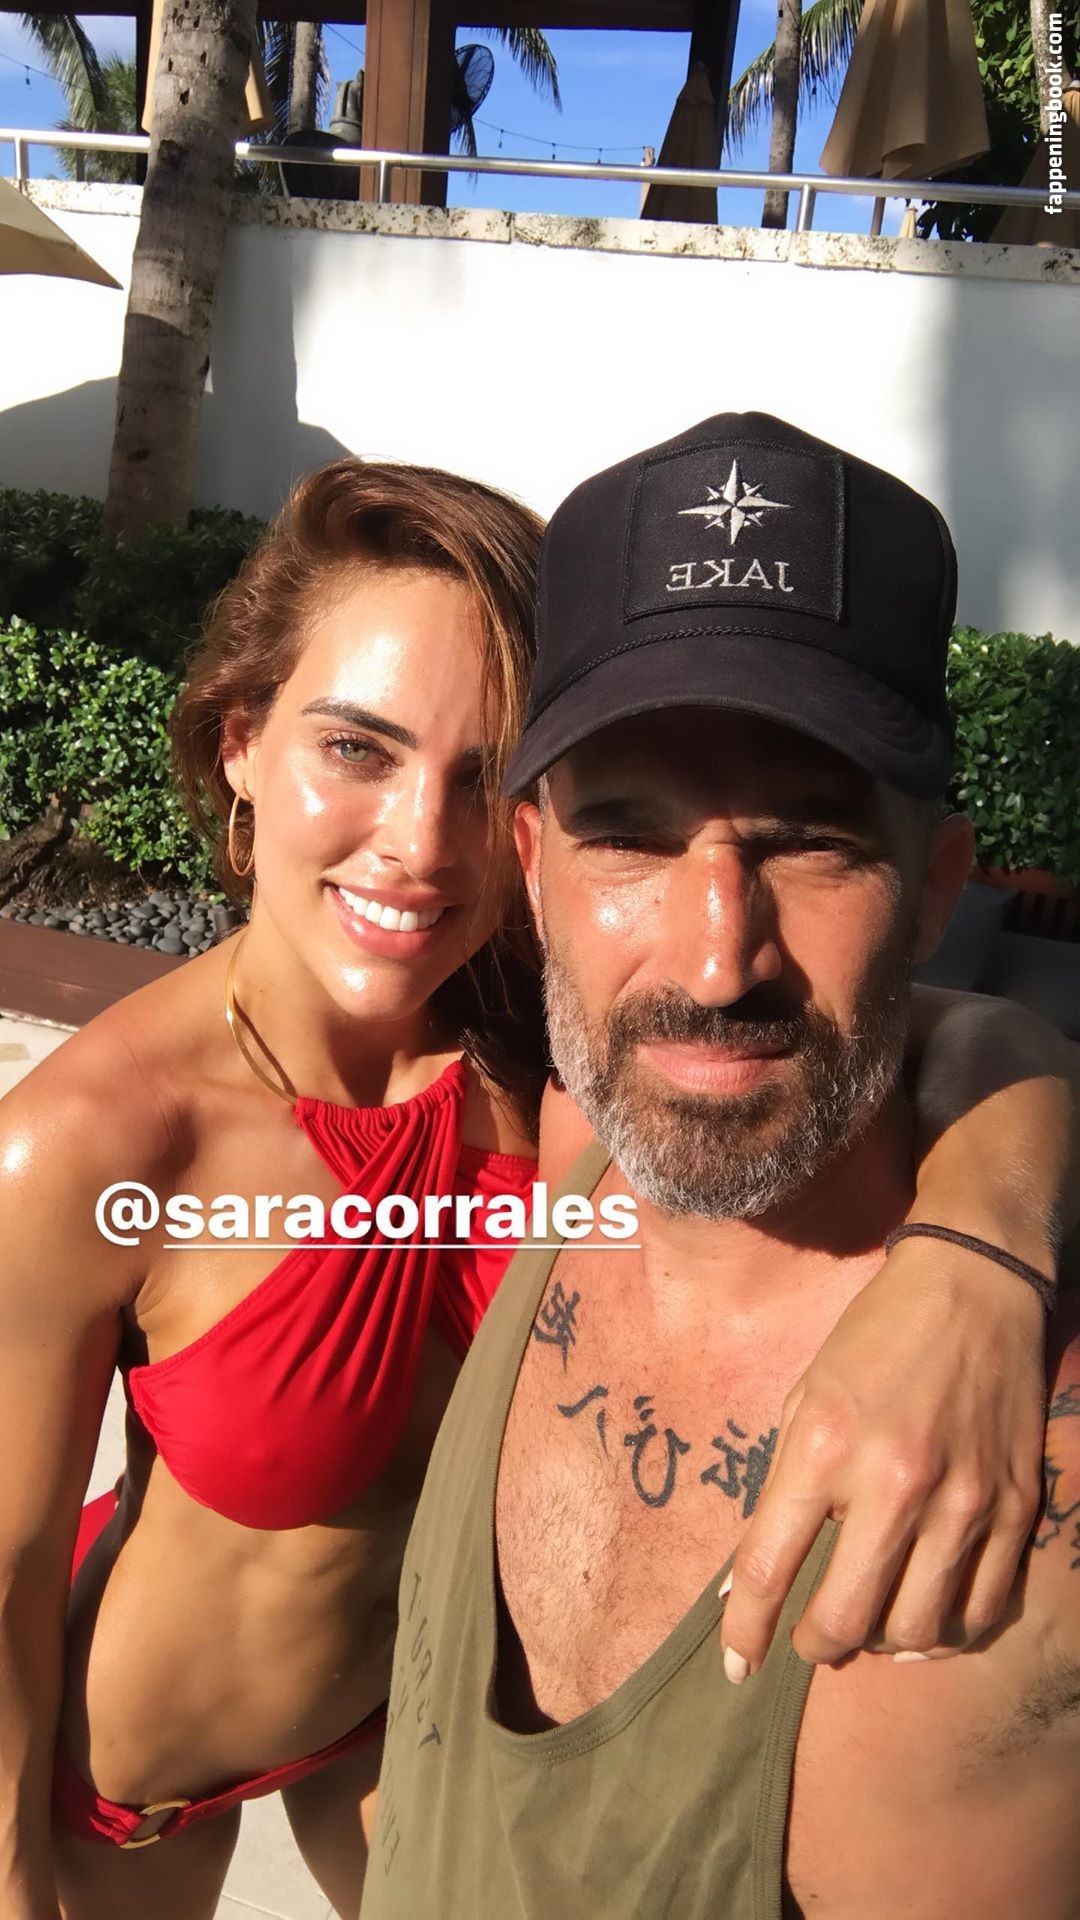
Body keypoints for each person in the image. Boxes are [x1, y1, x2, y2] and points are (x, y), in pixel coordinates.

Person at [0, 455, 1072, 1920]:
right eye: (356, 749)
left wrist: (976, 1254)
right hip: (144, 1784)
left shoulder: (550, 1048)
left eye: (478, 774)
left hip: (396, 1729)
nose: (418, 844)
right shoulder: (96, 1144)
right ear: (242, 744)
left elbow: (942, 1030)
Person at [359, 414, 1080, 1920]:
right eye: (630, 837)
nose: (715, 959)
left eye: (809, 841)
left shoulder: (1025, 1488)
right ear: (534, 866)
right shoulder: (575, 1153)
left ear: (936, 887)